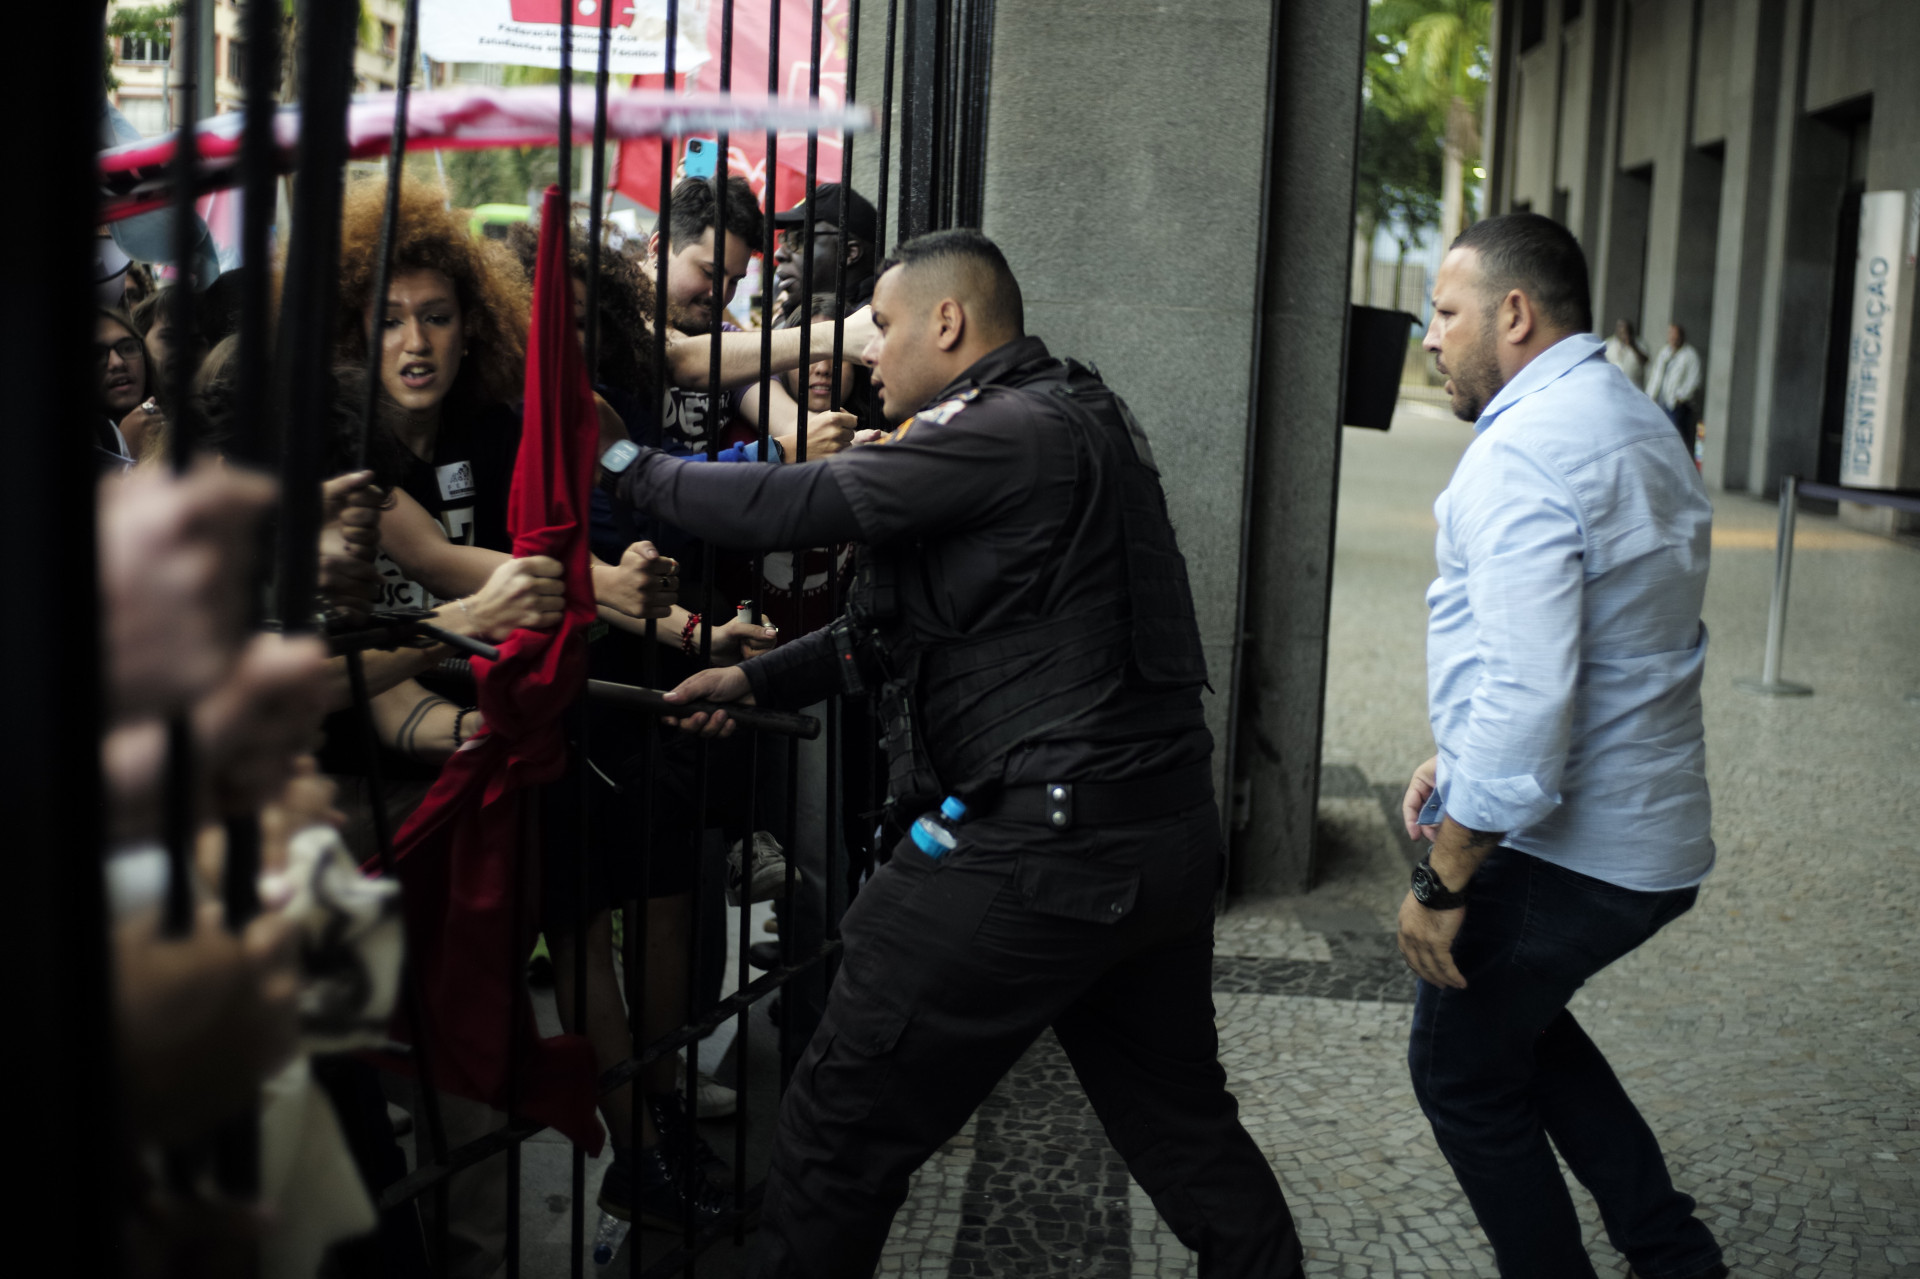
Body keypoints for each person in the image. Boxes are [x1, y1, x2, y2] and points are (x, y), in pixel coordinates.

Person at [602, 228, 1303, 1277]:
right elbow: (895, 634)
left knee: (835, 1129)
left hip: (1037, 844)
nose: (867, 352)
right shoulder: (1073, 415)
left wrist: (616, 461)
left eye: (881, 327)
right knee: (1186, 1135)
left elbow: (791, 502)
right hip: (1145, 840)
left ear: (948, 323)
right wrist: (754, 679)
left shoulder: (1008, 430)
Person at [1399, 212, 1725, 1279]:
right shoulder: (1630, 420)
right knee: (1522, 1033)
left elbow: (1534, 696)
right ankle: (1673, 1255)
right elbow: (1616, 633)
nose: (1431, 335)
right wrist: (1459, 755)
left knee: (1460, 1072)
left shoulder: (1526, 455)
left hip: (1572, 850)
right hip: (1646, 833)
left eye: (1447, 313)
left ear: (1516, 314)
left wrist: (1442, 876)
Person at [769, 181, 880, 325]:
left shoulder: (879, 322)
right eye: (784, 239)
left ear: (848, 253)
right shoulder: (784, 318)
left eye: (800, 239)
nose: (779, 253)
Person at [1645, 322, 1703, 453]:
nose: (1673, 339)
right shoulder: (1665, 352)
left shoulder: (1690, 355)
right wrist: (1650, 396)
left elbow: (1694, 380)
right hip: (1660, 403)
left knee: (1677, 441)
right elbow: (1656, 375)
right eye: (1671, 335)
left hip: (1676, 406)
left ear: (1681, 337)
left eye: (1675, 336)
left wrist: (1680, 397)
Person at [1604, 317, 1647, 389]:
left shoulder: (1639, 345)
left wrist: (1632, 346)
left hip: (1633, 388)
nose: (1624, 334)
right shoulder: (1609, 344)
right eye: (1621, 331)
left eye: (1626, 332)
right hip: (1613, 387)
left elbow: (1645, 361)